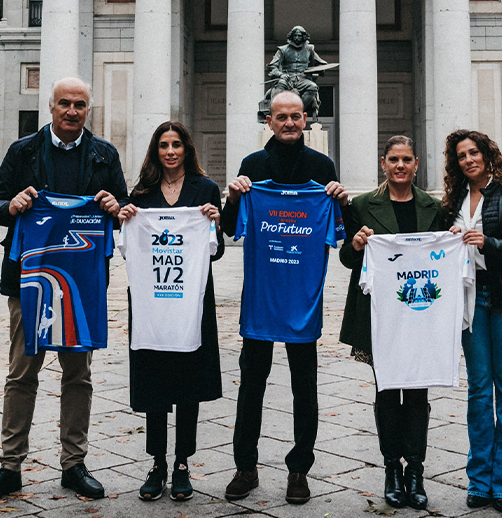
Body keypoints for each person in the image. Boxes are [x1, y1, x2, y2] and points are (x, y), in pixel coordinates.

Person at [0, 77, 128, 505]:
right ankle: (9, 467)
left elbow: (124, 209)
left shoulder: (104, 155)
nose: (72, 111)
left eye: (80, 104)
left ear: (88, 110)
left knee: (78, 376)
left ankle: (73, 463)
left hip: (81, 285)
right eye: (65, 103)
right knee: (22, 374)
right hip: (29, 282)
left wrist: (117, 209)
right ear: (51, 106)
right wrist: (12, 207)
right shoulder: (22, 151)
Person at [221, 90, 348, 505]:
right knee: (251, 385)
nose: (290, 122)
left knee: (304, 388)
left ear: (307, 119)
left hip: (301, 302)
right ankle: (245, 466)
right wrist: (236, 195)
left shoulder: (322, 167)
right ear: (269, 121)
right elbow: (227, 228)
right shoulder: (252, 168)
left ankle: (299, 469)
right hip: (262, 299)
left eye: (296, 116)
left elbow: (343, 232)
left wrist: (341, 201)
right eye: (282, 117)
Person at [117, 121, 224, 502]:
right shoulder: (142, 194)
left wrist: (214, 220)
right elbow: (130, 244)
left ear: (187, 148)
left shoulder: (205, 189)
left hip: (190, 300)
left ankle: (182, 463)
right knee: (156, 382)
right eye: (163, 145)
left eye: (176, 144)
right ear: (155, 151)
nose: (170, 152)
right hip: (152, 302)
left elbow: (217, 248)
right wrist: (126, 219)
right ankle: (157, 462)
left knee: (189, 382)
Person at [338, 136, 443, 510]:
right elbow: (347, 261)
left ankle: (415, 470)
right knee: (385, 393)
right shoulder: (363, 205)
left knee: (417, 393)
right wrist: (357, 245)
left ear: (416, 164)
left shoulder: (434, 207)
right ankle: (391, 469)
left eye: (407, 160)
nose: (400, 166)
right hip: (379, 316)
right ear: (383, 163)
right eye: (394, 159)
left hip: (420, 314)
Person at [443, 130, 502, 514]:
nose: (468, 159)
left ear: (487, 155)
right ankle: (480, 481)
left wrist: (488, 242)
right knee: (479, 392)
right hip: (470, 301)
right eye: (461, 155)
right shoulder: (453, 200)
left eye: (474, 152)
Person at [265, 26, 328, 120]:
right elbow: (273, 66)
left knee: (313, 87)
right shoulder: (283, 50)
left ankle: (298, 110)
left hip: (303, 79)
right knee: (279, 88)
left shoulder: (309, 49)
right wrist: (281, 74)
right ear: (291, 36)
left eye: (299, 35)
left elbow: (321, 63)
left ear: (303, 37)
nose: (297, 37)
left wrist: (319, 69)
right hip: (287, 78)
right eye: (295, 35)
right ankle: (277, 111)